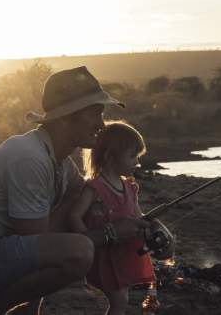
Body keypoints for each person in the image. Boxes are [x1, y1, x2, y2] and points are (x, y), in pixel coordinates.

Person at [0, 66, 151, 315]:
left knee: (77, 202)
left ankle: (26, 310)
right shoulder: (30, 157)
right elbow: (37, 241)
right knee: (79, 251)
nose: (101, 124)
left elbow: (95, 196)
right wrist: (110, 234)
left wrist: (146, 229)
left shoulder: (59, 162)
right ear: (66, 117)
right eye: (94, 114)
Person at [69, 121, 155, 315]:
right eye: (133, 156)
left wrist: (150, 227)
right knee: (119, 301)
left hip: (123, 254)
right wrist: (86, 240)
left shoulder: (130, 187)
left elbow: (138, 215)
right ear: (110, 157)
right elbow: (74, 215)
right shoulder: (95, 188)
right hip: (104, 256)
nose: (137, 162)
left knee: (121, 298)